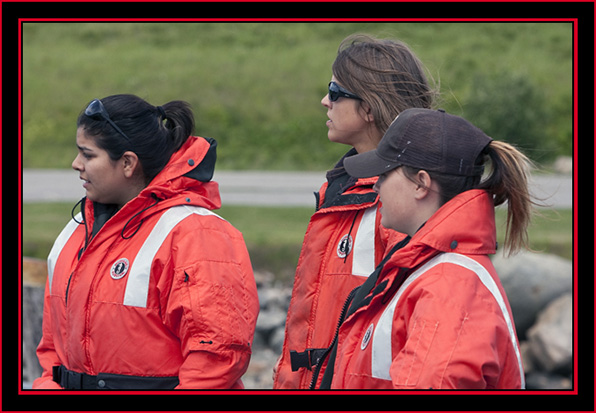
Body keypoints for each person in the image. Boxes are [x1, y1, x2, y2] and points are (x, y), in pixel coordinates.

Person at [33, 94, 259, 389]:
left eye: (88, 155)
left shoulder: (196, 235)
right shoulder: (75, 233)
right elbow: (53, 351)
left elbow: (216, 359)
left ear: (127, 163)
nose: (76, 164)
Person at [317, 108, 530, 389]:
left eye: (384, 173)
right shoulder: (424, 268)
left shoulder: (448, 288)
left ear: (421, 183)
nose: (377, 185)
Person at [273, 35, 437, 389]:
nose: (324, 101)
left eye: (334, 91)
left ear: (368, 108)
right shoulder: (342, 186)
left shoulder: (401, 201)